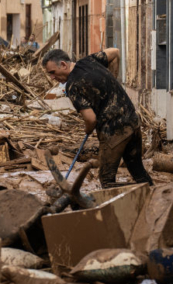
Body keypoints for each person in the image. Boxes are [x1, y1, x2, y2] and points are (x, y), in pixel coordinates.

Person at [41, 48, 153, 188]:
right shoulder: (89, 60)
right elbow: (115, 52)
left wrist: (88, 129)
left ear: (63, 65)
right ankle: (157, 199)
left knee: (106, 180)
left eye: (52, 72)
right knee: (137, 170)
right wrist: (111, 83)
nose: (52, 77)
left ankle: (122, 204)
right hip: (132, 121)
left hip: (113, 132)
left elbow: (91, 119)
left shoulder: (73, 86)